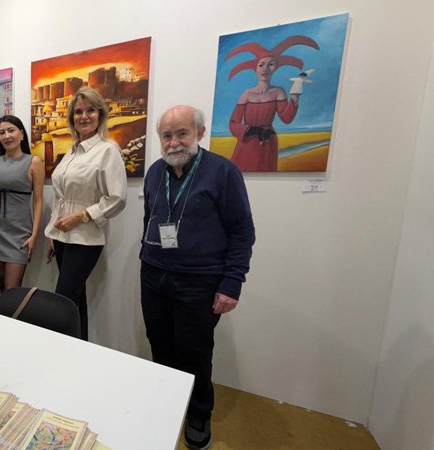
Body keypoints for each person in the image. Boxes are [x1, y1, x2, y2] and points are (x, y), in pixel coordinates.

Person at [140, 105, 255, 450]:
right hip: (154, 276)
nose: (174, 142)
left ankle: (199, 413)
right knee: (160, 345)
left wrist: (232, 283)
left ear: (200, 133)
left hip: (199, 281)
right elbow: (149, 219)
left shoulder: (223, 172)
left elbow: (242, 232)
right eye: (167, 135)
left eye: (182, 133)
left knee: (194, 352)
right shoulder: (154, 172)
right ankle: (167, 402)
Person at [44, 87, 127, 341]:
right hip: (62, 236)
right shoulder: (72, 151)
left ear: (100, 114)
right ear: (71, 118)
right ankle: (80, 348)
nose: (84, 116)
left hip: (86, 238)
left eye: (90, 110)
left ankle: (60, 349)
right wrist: (53, 232)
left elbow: (117, 198)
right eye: (78, 112)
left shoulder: (107, 150)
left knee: (63, 299)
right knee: (75, 299)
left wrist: (82, 216)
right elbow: (60, 196)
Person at [225, 36, 319, 172]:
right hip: (247, 142)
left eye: (271, 64)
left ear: (275, 68)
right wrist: (254, 130)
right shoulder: (246, 94)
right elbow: (233, 124)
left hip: (267, 141)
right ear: (255, 68)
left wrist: (295, 94)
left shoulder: (278, 92)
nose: (265, 69)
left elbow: (287, 119)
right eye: (261, 64)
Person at [0, 115, 45, 292]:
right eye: (2, 132)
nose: (7, 136)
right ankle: (3, 312)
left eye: (11, 130)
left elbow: (38, 201)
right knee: (2, 282)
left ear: (22, 134)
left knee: (12, 287)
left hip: (19, 233)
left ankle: (11, 311)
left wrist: (34, 235)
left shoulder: (33, 162)